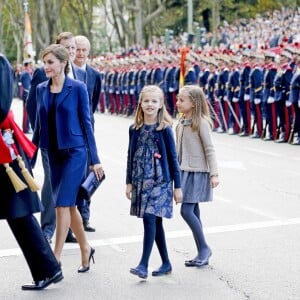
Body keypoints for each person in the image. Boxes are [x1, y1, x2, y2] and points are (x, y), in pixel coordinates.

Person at [32, 44, 104, 272]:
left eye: (51, 62)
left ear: (63, 63)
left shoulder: (78, 88)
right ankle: (85, 248)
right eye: (45, 62)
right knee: (70, 207)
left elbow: (87, 124)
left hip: (75, 152)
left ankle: (55, 258)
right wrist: (30, 157)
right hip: (53, 153)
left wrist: (95, 159)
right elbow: (38, 126)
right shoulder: (41, 88)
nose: (46, 67)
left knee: (62, 205)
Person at [0, 53, 63, 290]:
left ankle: (48, 269)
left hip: (4, 151)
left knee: (19, 212)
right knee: (18, 214)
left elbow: (1, 104)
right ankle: (48, 269)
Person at [26, 32, 85, 243]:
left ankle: (71, 232)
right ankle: (48, 228)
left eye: (73, 48)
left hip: (75, 143)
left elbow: (86, 112)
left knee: (69, 190)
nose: (71, 51)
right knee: (53, 187)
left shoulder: (80, 76)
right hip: (51, 142)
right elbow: (32, 105)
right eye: (67, 47)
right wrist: (42, 131)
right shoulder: (44, 75)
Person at [125, 85, 182, 279]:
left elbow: (174, 159)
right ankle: (166, 262)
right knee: (155, 223)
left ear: (160, 105)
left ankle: (143, 264)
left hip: (161, 182)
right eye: (146, 100)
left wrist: (178, 187)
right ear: (140, 103)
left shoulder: (164, 130)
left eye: (154, 101)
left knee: (150, 218)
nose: (150, 104)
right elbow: (130, 157)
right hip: (141, 181)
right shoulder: (134, 129)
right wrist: (129, 182)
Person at [175, 85, 219, 267]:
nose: (177, 103)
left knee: (186, 211)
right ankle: (202, 250)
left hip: (197, 172)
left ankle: (204, 248)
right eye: (178, 99)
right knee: (194, 212)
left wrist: (214, 174)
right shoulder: (181, 122)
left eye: (181, 100)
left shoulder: (200, 122)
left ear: (193, 103)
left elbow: (210, 149)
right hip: (184, 171)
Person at [74, 35, 102, 232]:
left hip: (87, 129)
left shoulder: (94, 75)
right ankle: (71, 218)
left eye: (84, 50)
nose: (81, 53)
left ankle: (85, 217)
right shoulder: (67, 72)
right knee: (74, 173)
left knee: (89, 172)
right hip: (71, 130)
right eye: (77, 49)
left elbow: (94, 102)